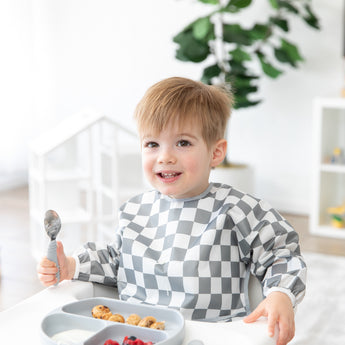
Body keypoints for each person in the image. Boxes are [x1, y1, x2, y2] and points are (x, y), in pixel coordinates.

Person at [37, 77, 306, 345]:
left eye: (183, 143)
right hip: (136, 334)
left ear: (216, 152)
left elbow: (281, 252)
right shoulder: (134, 210)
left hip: (207, 335)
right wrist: (71, 265)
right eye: (152, 144)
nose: (165, 156)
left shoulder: (237, 209)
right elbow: (117, 261)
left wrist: (280, 293)